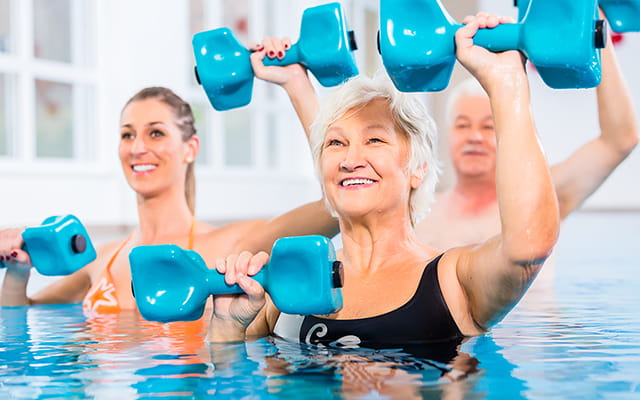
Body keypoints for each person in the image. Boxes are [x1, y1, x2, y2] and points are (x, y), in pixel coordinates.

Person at [204, 14, 560, 346]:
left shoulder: (453, 280)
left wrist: (506, 84)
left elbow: (527, 247)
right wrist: (227, 326)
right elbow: (227, 379)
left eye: (374, 140)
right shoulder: (283, 287)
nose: (350, 160)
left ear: (418, 167)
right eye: (336, 144)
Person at [0, 80, 337, 311]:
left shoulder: (234, 244)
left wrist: (296, 85)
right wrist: (18, 271)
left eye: (156, 133)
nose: (138, 148)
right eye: (127, 135)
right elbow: (23, 319)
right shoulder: (99, 260)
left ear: (190, 148)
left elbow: (336, 205)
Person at [414, 27, 638, 252]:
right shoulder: (419, 211)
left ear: (509, 132)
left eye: (488, 126)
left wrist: (597, 31)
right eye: (463, 125)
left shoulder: (540, 198)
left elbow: (619, 140)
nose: (474, 136)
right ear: (448, 132)